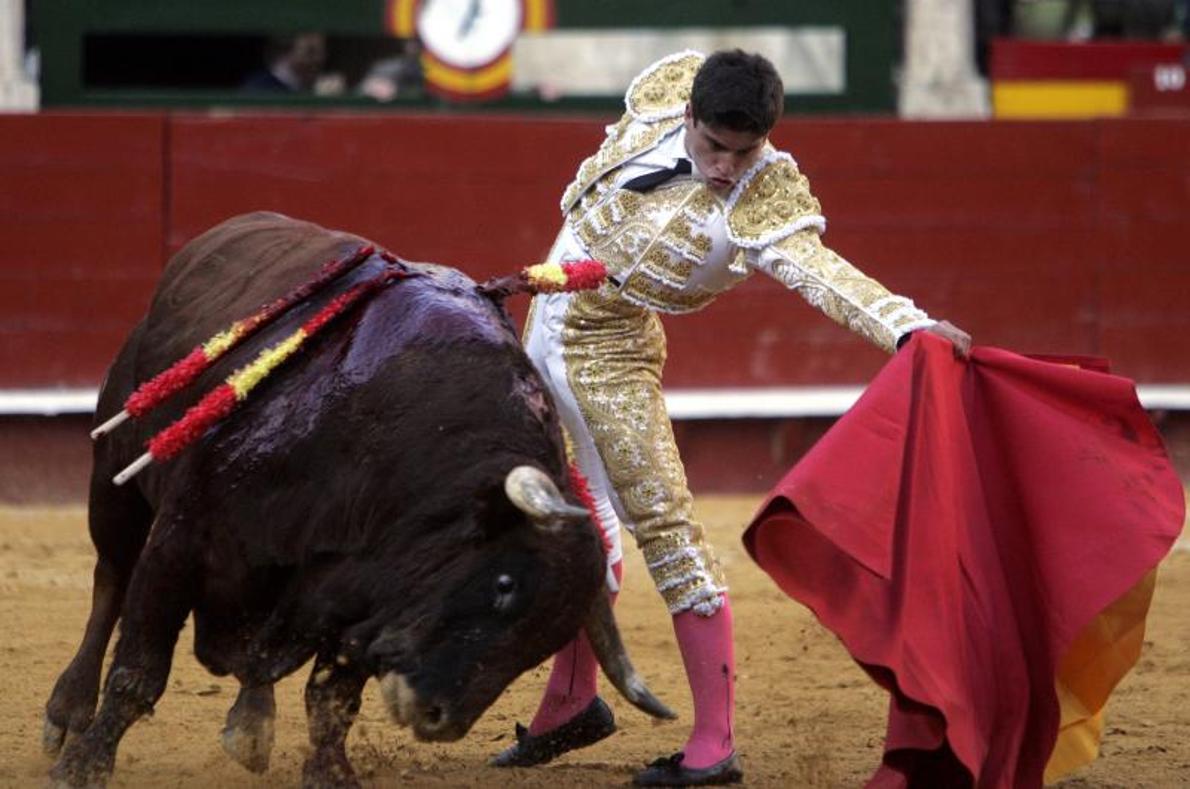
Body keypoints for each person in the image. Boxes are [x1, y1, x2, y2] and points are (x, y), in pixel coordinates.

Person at [491, 50, 971, 786]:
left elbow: (824, 275)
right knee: (574, 523)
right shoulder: (666, 89)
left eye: (743, 152)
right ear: (690, 115)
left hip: (612, 360)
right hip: (542, 334)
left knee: (667, 531)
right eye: (714, 146)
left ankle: (713, 745)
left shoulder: (764, 198)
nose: (725, 167)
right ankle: (572, 700)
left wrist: (910, 327)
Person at [240, 33, 326, 93]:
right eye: (311, 51)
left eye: (322, 52)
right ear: (287, 52)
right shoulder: (259, 88)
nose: (319, 58)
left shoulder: (313, 86)